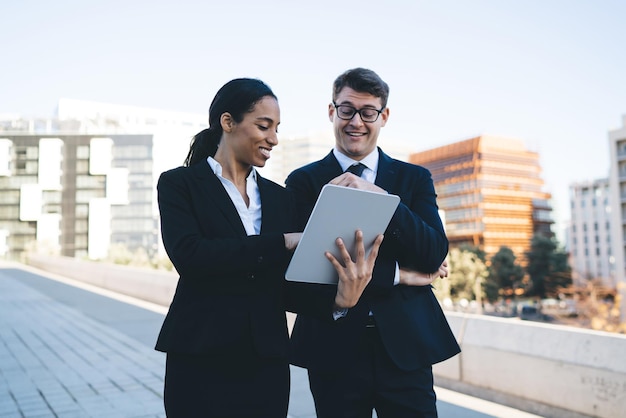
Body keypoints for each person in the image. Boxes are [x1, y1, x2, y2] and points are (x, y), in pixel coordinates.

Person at [154, 77, 383, 418]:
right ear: (228, 122)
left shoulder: (280, 198)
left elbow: (286, 286)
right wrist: (285, 241)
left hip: (267, 362)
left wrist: (339, 301)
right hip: (199, 354)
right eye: (264, 126)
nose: (273, 139)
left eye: (277, 128)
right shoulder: (180, 184)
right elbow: (192, 257)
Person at [286, 68, 461, 418]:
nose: (357, 122)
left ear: (384, 116)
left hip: (405, 346)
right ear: (332, 111)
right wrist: (399, 273)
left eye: (369, 112)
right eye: (347, 110)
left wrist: (380, 195)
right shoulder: (302, 182)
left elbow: (432, 254)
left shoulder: (414, 178)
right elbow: (307, 269)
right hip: (333, 347)